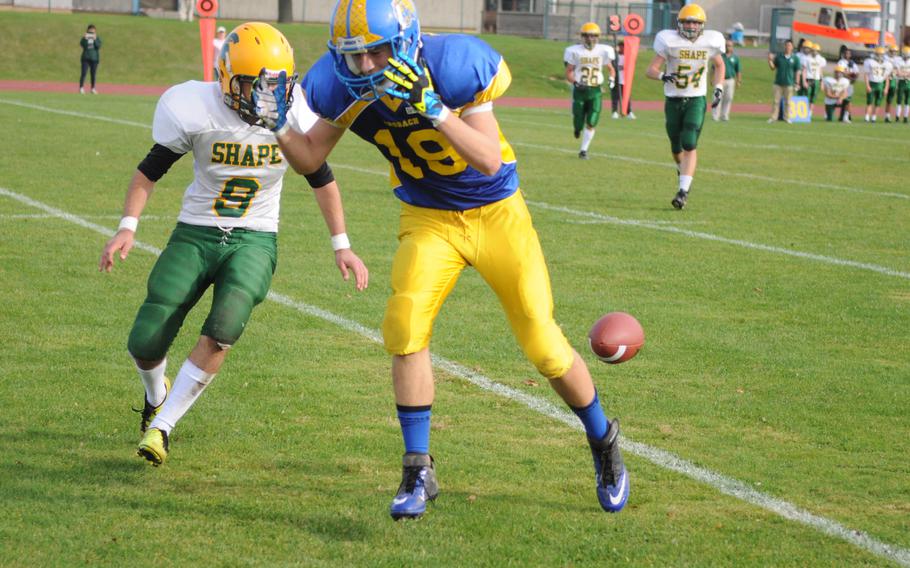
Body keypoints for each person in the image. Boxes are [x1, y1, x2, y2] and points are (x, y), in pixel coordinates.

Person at [253, 0, 630, 519]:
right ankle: (417, 470)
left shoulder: (453, 64)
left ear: (405, 41)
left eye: (376, 53)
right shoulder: (339, 85)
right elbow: (312, 157)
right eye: (353, 56)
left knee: (544, 346)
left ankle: (603, 440)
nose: (364, 68)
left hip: (496, 213)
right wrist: (278, 126)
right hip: (428, 217)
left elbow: (488, 156)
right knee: (405, 326)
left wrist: (432, 106)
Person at [98, 22, 368, 466]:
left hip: (256, 237)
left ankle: (161, 427)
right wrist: (128, 225)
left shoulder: (292, 114)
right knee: (146, 341)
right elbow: (149, 170)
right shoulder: (194, 107)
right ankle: (156, 396)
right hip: (197, 230)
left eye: (275, 85)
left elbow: (321, 177)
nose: (266, 96)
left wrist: (342, 244)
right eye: (254, 85)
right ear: (226, 77)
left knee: (224, 327)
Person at [645, 3, 725, 210]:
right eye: (687, 21)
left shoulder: (710, 42)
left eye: (695, 22)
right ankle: (683, 172)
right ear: (679, 23)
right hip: (673, 99)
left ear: (702, 25)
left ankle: (683, 191)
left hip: (696, 99)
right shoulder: (669, 41)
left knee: (689, 141)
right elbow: (650, 70)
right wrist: (663, 75)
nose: (691, 26)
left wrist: (718, 87)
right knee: (675, 145)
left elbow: (719, 65)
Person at [563, 22, 616, 159]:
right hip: (580, 90)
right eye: (587, 36)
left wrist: (611, 80)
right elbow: (568, 72)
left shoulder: (603, 50)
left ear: (598, 37)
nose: (590, 39)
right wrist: (575, 82)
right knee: (578, 119)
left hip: (596, 90)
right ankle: (577, 129)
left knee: (592, 120)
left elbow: (611, 69)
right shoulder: (575, 51)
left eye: (593, 36)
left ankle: (583, 150)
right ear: (582, 37)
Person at [767, 39, 800, 123]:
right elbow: (773, 68)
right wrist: (770, 60)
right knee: (776, 101)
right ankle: (773, 117)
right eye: (786, 45)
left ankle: (787, 117)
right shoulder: (779, 57)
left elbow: (797, 71)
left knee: (788, 102)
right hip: (778, 82)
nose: (788, 47)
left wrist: (797, 82)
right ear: (784, 46)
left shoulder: (795, 58)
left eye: (789, 45)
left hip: (789, 83)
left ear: (792, 47)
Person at [712, 38, 740, 121]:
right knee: (717, 97)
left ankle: (724, 116)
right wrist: (712, 78)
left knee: (728, 98)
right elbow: (713, 68)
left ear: (732, 47)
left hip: (730, 80)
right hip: (719, 80)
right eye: (726, 45)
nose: (728, 47)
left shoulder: (735, 58)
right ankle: (715, 116)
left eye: (729, 46)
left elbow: (738, 70)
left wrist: (739, 81)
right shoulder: (720, 56)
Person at [863, 47, 892, 122]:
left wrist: (886, 88)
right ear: (875, 54)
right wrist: (867, 85)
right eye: (878, 54)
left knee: (878, 102)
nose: (879, 56)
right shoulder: (869, 62)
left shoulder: (887, 64)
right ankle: (866, 117)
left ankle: (874, 117)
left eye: (881, 54)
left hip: (880, 84)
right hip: (872, 83)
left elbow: (887, 77)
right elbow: (866, 74)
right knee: (869, 101)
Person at [610, 39, 636, 120]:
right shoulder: (615, 56)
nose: (622, 49)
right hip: (616, 79)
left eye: (623, 47)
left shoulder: (628, 56)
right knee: (615, 96)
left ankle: (629, 112)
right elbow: (613, 66)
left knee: (626, 97)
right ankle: (614, 112)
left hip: (625, 80)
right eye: (620, 47)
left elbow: (630, 65)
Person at [800, 42, 826, 118]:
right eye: (813, 50)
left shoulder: (821, 59)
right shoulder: (807, 58)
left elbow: (821, 71)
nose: (815, 52)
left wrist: (822, 82)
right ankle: (804, 111)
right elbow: (804, 70)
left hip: (816, 79)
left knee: (813, 97)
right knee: (807, 95)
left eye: (816, 51)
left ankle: (810, 113)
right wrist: (804, 81)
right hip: (809, 78)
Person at [836, 48, 860, 122]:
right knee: (844, 100)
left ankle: (846, 116)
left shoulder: (853, 63)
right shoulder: (841, 62)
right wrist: (850, 76)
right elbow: (841, 72)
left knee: (848, 100)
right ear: (843, 54)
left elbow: (857, 72)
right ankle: (844, 116)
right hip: (843, 83)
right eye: (846, 53)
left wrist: (854, 78)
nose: (847, 55)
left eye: (849, 54)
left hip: (850, 83)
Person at [79, 24, 101, 95]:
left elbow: (98, 46)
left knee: (93, 74)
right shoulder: (85, 37)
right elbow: (82, 44)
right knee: (84, 73)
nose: (91, 31)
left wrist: (95, 39)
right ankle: (81, 87)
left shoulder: (97, 38)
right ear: (88, 30)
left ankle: (93, 88)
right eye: (90, 30)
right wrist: (85, 38)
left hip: (94, 58)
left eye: (93, 30)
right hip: (86, 58)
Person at [884, 45, 901, 122]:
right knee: (879, 98)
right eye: (892, 51)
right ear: (889, 51)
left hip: (893, 80)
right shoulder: (885, 58)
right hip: (883, 80)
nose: (893, 53)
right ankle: (871, 116)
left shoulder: (898, 59)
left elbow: (898, 70)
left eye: (895, 51)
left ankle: (887, 116)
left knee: (890, 100)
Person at [896, 46, 910, 123]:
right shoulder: (899, 61)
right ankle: (897, 117)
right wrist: (905, 74)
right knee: (899, 100)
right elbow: (898, 73)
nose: (906, 55)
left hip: (909, 82)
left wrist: (903, 74)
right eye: (905, 53)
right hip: (901, 82)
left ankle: (905, 117)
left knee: (907, 100)